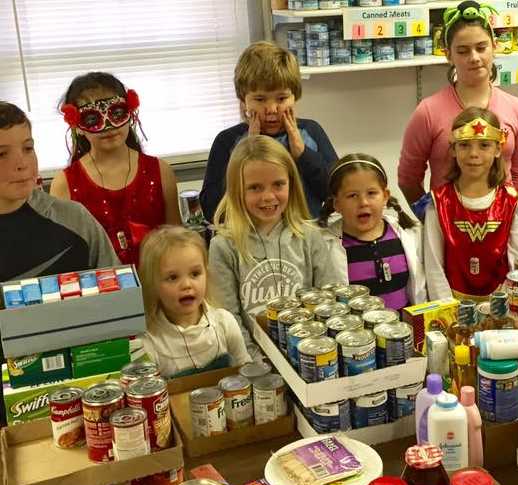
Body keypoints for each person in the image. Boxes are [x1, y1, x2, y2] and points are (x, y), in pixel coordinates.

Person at [209, 135, 338, 359]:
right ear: (237, 190)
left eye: (278, 184)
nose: (268, 196)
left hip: (311, 359)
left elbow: (329, 302)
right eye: (255, 188)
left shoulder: (311, 236)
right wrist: (254, 363)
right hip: (254, 366)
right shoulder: (223, 247)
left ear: (291, 183)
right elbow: (228, 319)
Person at [398, 1, 518, 210]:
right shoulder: (428, 112)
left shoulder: (517, 109)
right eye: (463, 51)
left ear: (494, 47)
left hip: (502, 230)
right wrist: (433, 219)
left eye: (481, 47)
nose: (474, 58)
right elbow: (408, 179)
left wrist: (509, 216)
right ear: (448, 54)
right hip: (448, 233)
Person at [50, 72, 181, 265]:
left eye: (117, 112)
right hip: (101, 290)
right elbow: (66, 257)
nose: (108, 126)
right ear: (76, 124)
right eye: (93, 118)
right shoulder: (64, 184)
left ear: (130, 112)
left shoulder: (160, 171)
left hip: (160, 285)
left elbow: (178, 242)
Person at [200, 41, 337, 220]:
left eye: (281, 98)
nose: (271, 109)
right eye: (260, 99)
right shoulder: (227, 140)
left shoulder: (311, 131)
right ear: (244, 100)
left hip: (306, 238)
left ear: (295, 96)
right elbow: (211, 209)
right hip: (250, 239)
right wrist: (245, 156)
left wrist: (304, 155)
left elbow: (337, 195)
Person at [0, 102, 118, 282]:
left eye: (28, 148)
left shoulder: (75, 218)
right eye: (1, 154)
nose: (22, 164)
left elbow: (119, 294)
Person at [424, 107, 518, 301]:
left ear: (498, 149)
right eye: (464, 145)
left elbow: (517, 265)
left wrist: (500, 309)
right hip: (451, 308)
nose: (473, 154)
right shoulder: (438, 202)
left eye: (484, 145)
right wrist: (448, 312)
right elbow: (434, 266)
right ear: (453, 149)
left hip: (502, 309)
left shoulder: (514, 201)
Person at [138, 226, 251, 378]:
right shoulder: (148, 343)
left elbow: (248, 372)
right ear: (153, 284)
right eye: (173, 277)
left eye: (195, 274)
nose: (186, 285)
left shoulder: (225, 323)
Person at [318, 153, 427, 310]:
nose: (363, 202)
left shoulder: (409, 234)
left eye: (371, 193)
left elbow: (421, 291)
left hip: (405, 330)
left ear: (385, 196)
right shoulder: (326, 245)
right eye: (352, 195)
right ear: (337, 203)